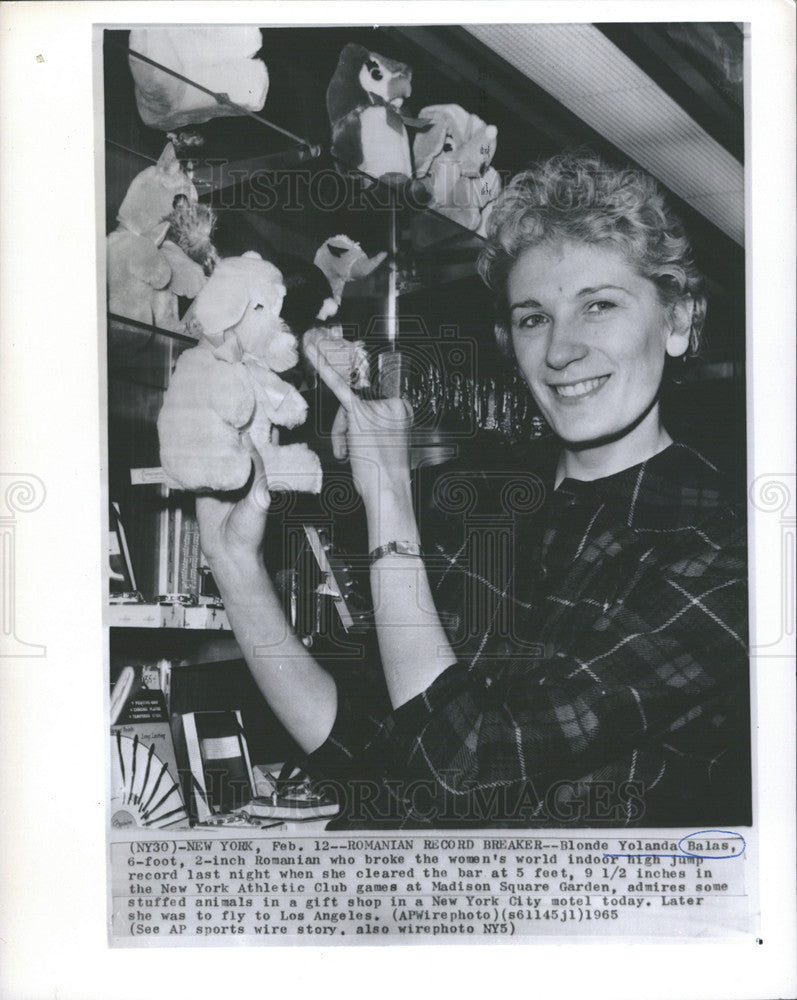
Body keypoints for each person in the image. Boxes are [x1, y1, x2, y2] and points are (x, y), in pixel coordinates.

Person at [196, 152, 750, 829]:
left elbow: (461, 771)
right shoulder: (476, 507)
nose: (560, 351)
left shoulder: (731, 553)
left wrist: (389, 500)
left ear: (678, 321)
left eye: (598, 306)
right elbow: (367, 755)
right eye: (531, 318)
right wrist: (236, 567)